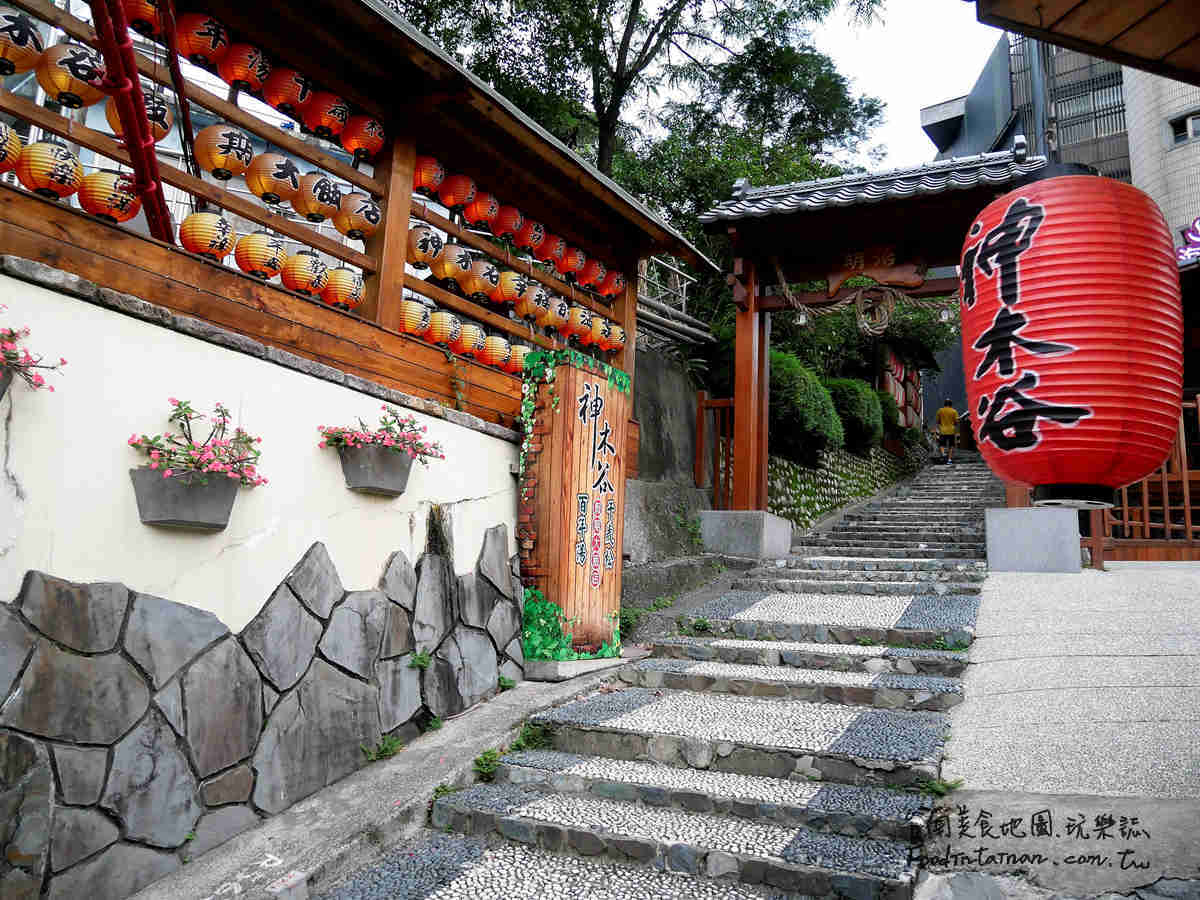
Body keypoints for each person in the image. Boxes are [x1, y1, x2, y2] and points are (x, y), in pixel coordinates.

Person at [936, 398, 959, 464]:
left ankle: (943, 453)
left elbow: (938, 421)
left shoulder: (940, 411)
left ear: (944, 404)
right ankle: (949, 460)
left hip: (942, 430)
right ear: (951, 404)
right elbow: (956, 421)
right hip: (951, 431)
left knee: (941, 444)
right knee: (951, 446)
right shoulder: (954, 411)